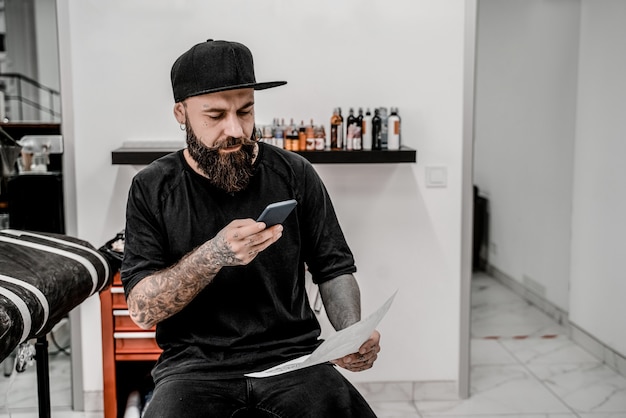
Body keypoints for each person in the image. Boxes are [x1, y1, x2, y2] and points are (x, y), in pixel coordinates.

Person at [121, 39, 381, 417]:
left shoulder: (294, 173)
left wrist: (350, 335)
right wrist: (212, 256)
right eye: (214, 115)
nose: (235, 129)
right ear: (181, 113)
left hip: (294, 360)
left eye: (245, 111)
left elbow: (333, 268)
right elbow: (143, 311)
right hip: (194, 369)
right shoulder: (152, 187)